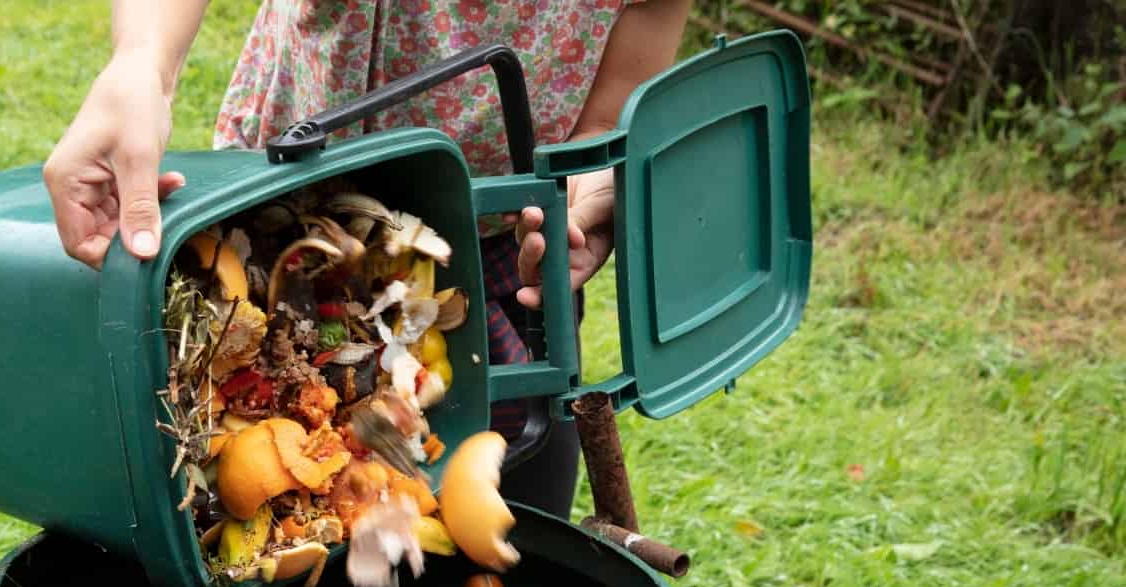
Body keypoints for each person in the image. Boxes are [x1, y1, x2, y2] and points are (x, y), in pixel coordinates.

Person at [43, 0, 691, 520]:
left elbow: (647, 21)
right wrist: (142, 63)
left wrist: (593, 161)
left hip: (502, 250)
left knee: (507, 519)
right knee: (244, 502)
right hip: (278, 228)